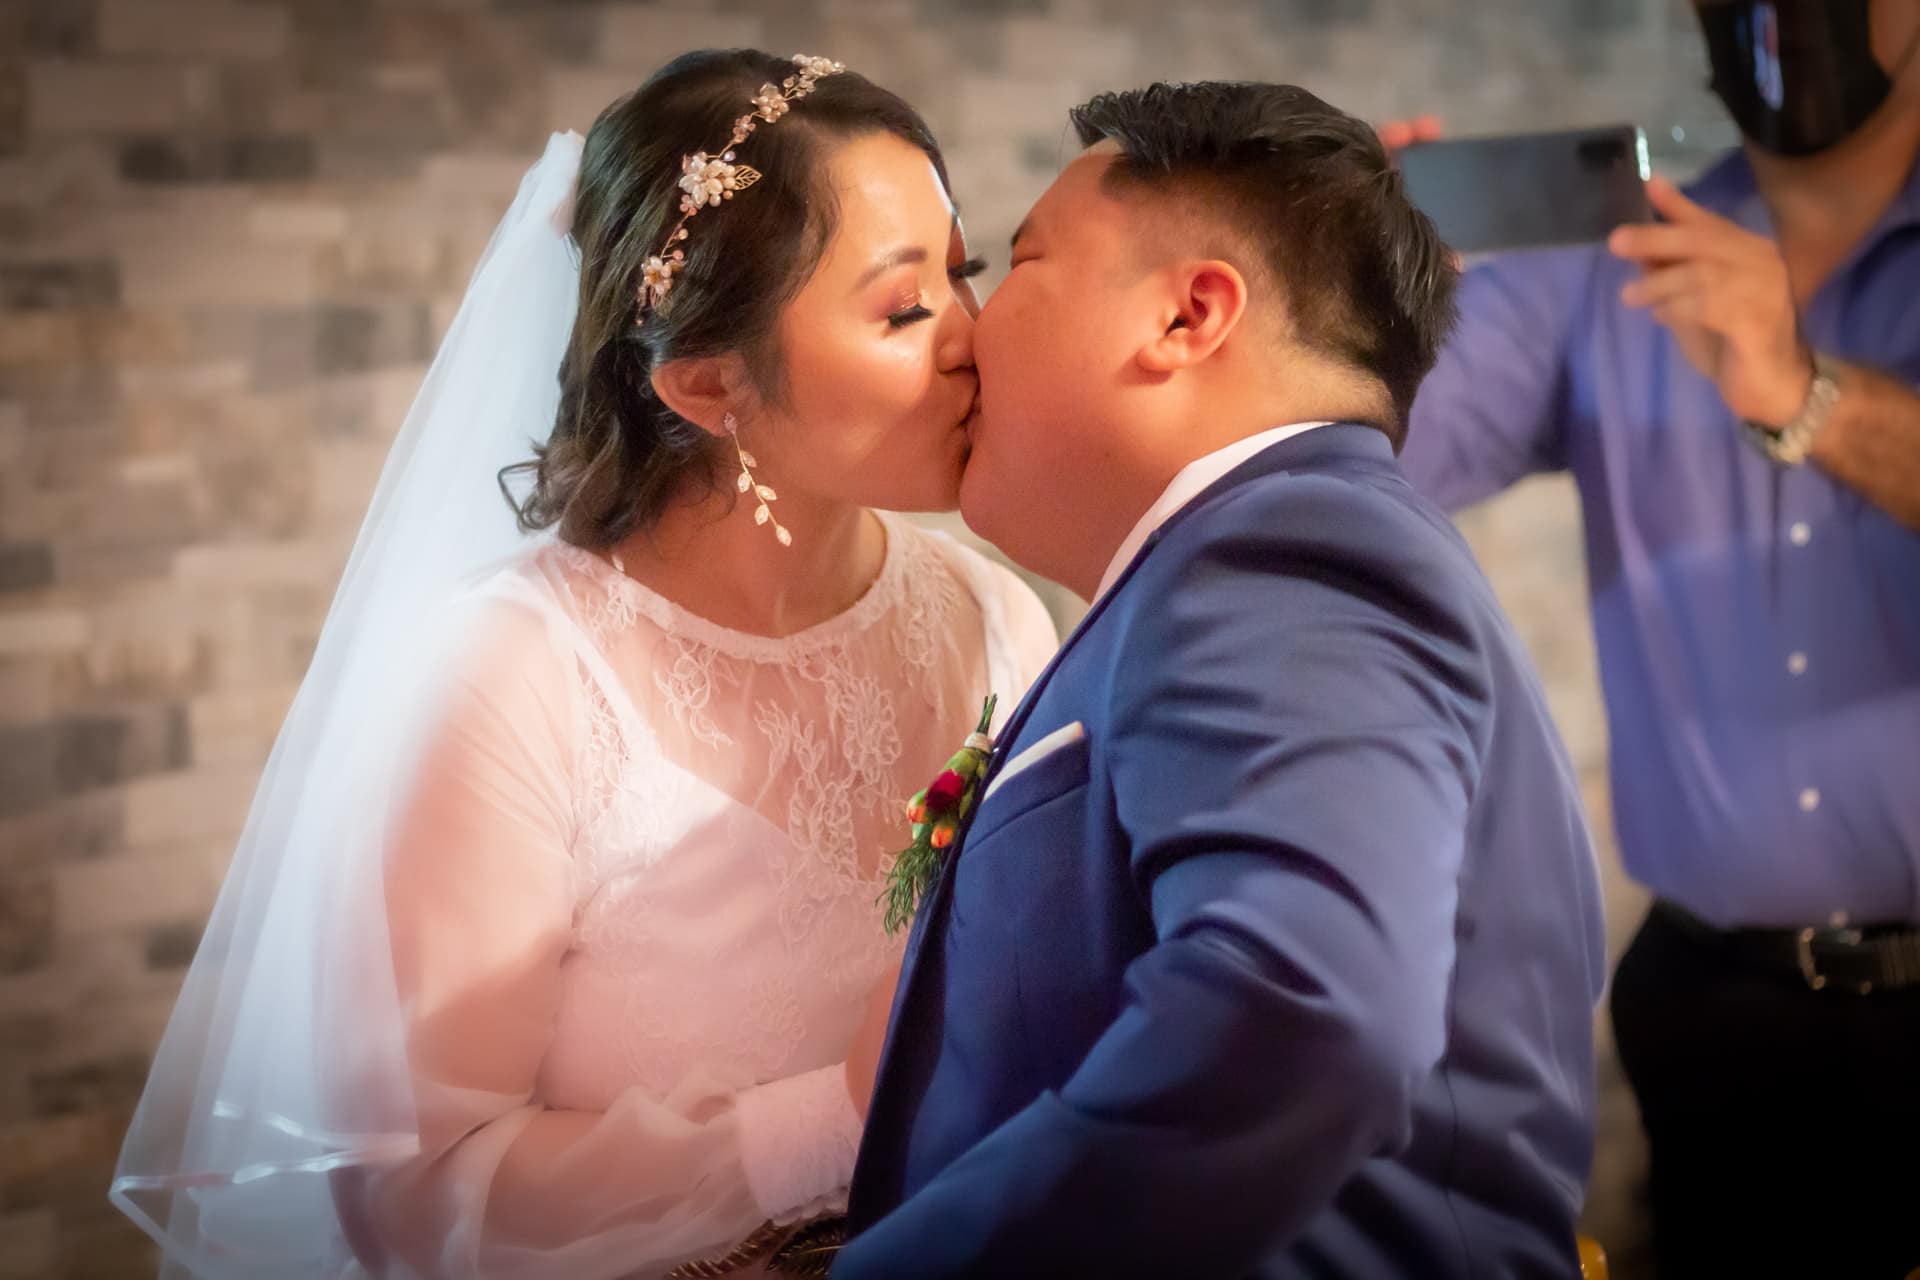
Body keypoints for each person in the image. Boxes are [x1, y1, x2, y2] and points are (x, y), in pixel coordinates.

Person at [110, 50, 1056, 1279]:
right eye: (904, 307)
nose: (976, 339)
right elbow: (413, 1197)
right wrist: (833, 1119)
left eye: (963, 274)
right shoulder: (509, 678)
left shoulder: (994, 616)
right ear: (708, 383)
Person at [835, 81, 1606, 1279]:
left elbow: (1311, 1009)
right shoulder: (1258, 551)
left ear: (1188, 314)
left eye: (1016, 262)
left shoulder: (1280, 553)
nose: (966, 330)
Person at [1387, 2, 1920, 1273]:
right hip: (1714, 1016)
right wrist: (1350, 308)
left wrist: (1805, 393)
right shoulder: (1611, 261)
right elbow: (1379, 457)